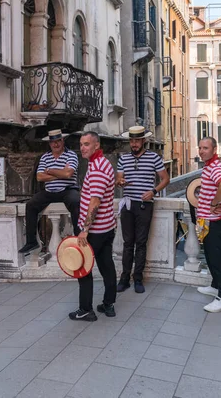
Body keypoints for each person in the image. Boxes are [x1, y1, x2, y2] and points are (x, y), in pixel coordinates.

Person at [69, 131, 117, 321]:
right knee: (107, 266)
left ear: (96, 145)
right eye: (81, 144)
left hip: (95, 232)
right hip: (107, 228)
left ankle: (86, 310)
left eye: (86, 144)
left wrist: (84, 230)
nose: (82, 147)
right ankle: (108, 304)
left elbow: (94, 202)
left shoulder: (97, 168)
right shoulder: (103, 163)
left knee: (82, 268)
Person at [116, 126, 170, 294]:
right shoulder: (123, 159)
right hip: (127, 204)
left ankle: (137, 278)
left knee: (141, 242)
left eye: (137, 140)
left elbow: (165, 179)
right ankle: (124, 279)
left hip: (145, 205)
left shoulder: (154, 157)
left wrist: (153, 191)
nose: (134, 143)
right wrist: (121, 182)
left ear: (143, 141)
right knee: (127, 243)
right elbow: (118, 178)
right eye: (131, 141)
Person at [19, 129, 80, 255]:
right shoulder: (45, 157)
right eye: (53, 142)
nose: (55, 144)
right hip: (49, 191)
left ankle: (79, 236)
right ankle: (31, 241)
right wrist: (60, 173)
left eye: (58, 141)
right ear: (49, 143)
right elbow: (39, 177)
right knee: (30, 205)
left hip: (67, 190)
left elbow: (68, 174)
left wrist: (50, 171)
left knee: (75, 201)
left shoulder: (71, 155)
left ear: (62, 141)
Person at [195, 136, 221, 312]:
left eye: (205, 148)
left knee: (218, 259)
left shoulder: (215, 167)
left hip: (214, 222)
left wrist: (214, 204)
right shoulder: (209, 166)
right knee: (210, 256)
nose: (202, 151)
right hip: (208, 221)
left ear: (214, 150)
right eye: (200, 148)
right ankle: (215, 285)